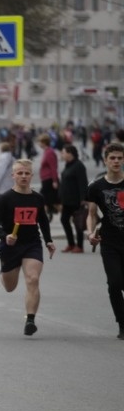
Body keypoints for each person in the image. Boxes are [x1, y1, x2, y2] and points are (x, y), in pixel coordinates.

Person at [0, 158, 56, 336]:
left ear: (32, 175)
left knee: (33, 279)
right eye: (20, 173)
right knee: (10, 287)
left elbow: (42, 220)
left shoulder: (38, 198)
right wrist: (5, 236)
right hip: (10, 246)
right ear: (13, 176)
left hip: (32, 243)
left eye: (27, 173)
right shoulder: (5, 199)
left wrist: (48, 240)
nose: (23, 176)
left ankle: (30, 320)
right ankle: (4, 272)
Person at [86, 142, 124, 339]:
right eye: (113, 158)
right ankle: (122, 323)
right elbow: (91, 213)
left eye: (119, 158)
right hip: (109, 241)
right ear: (106, 161)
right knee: (115, 283)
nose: (116, 161)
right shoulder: (97, 186)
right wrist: (90, 232)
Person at [59, 145, 89, 253]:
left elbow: (83, 183)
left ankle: (79, 246)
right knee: (64, 220)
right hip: (67, 200)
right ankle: (71, 243)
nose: (62, 155)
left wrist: (83, 199)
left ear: (70, 153)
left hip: (76, 200)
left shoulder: (79, 166)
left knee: (78, 222)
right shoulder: (68, 165)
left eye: (63, 152)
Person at [37, 133, 59, 222]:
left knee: (42, 197)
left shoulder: (49, 152)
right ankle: (49, 212)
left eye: (39, 142)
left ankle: (49, 212)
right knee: (48, 199)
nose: (38, 144)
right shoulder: (46, 151)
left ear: (44, 142)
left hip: (49, 179)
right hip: (45, 179)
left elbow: (53, 167)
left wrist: (54, 180)